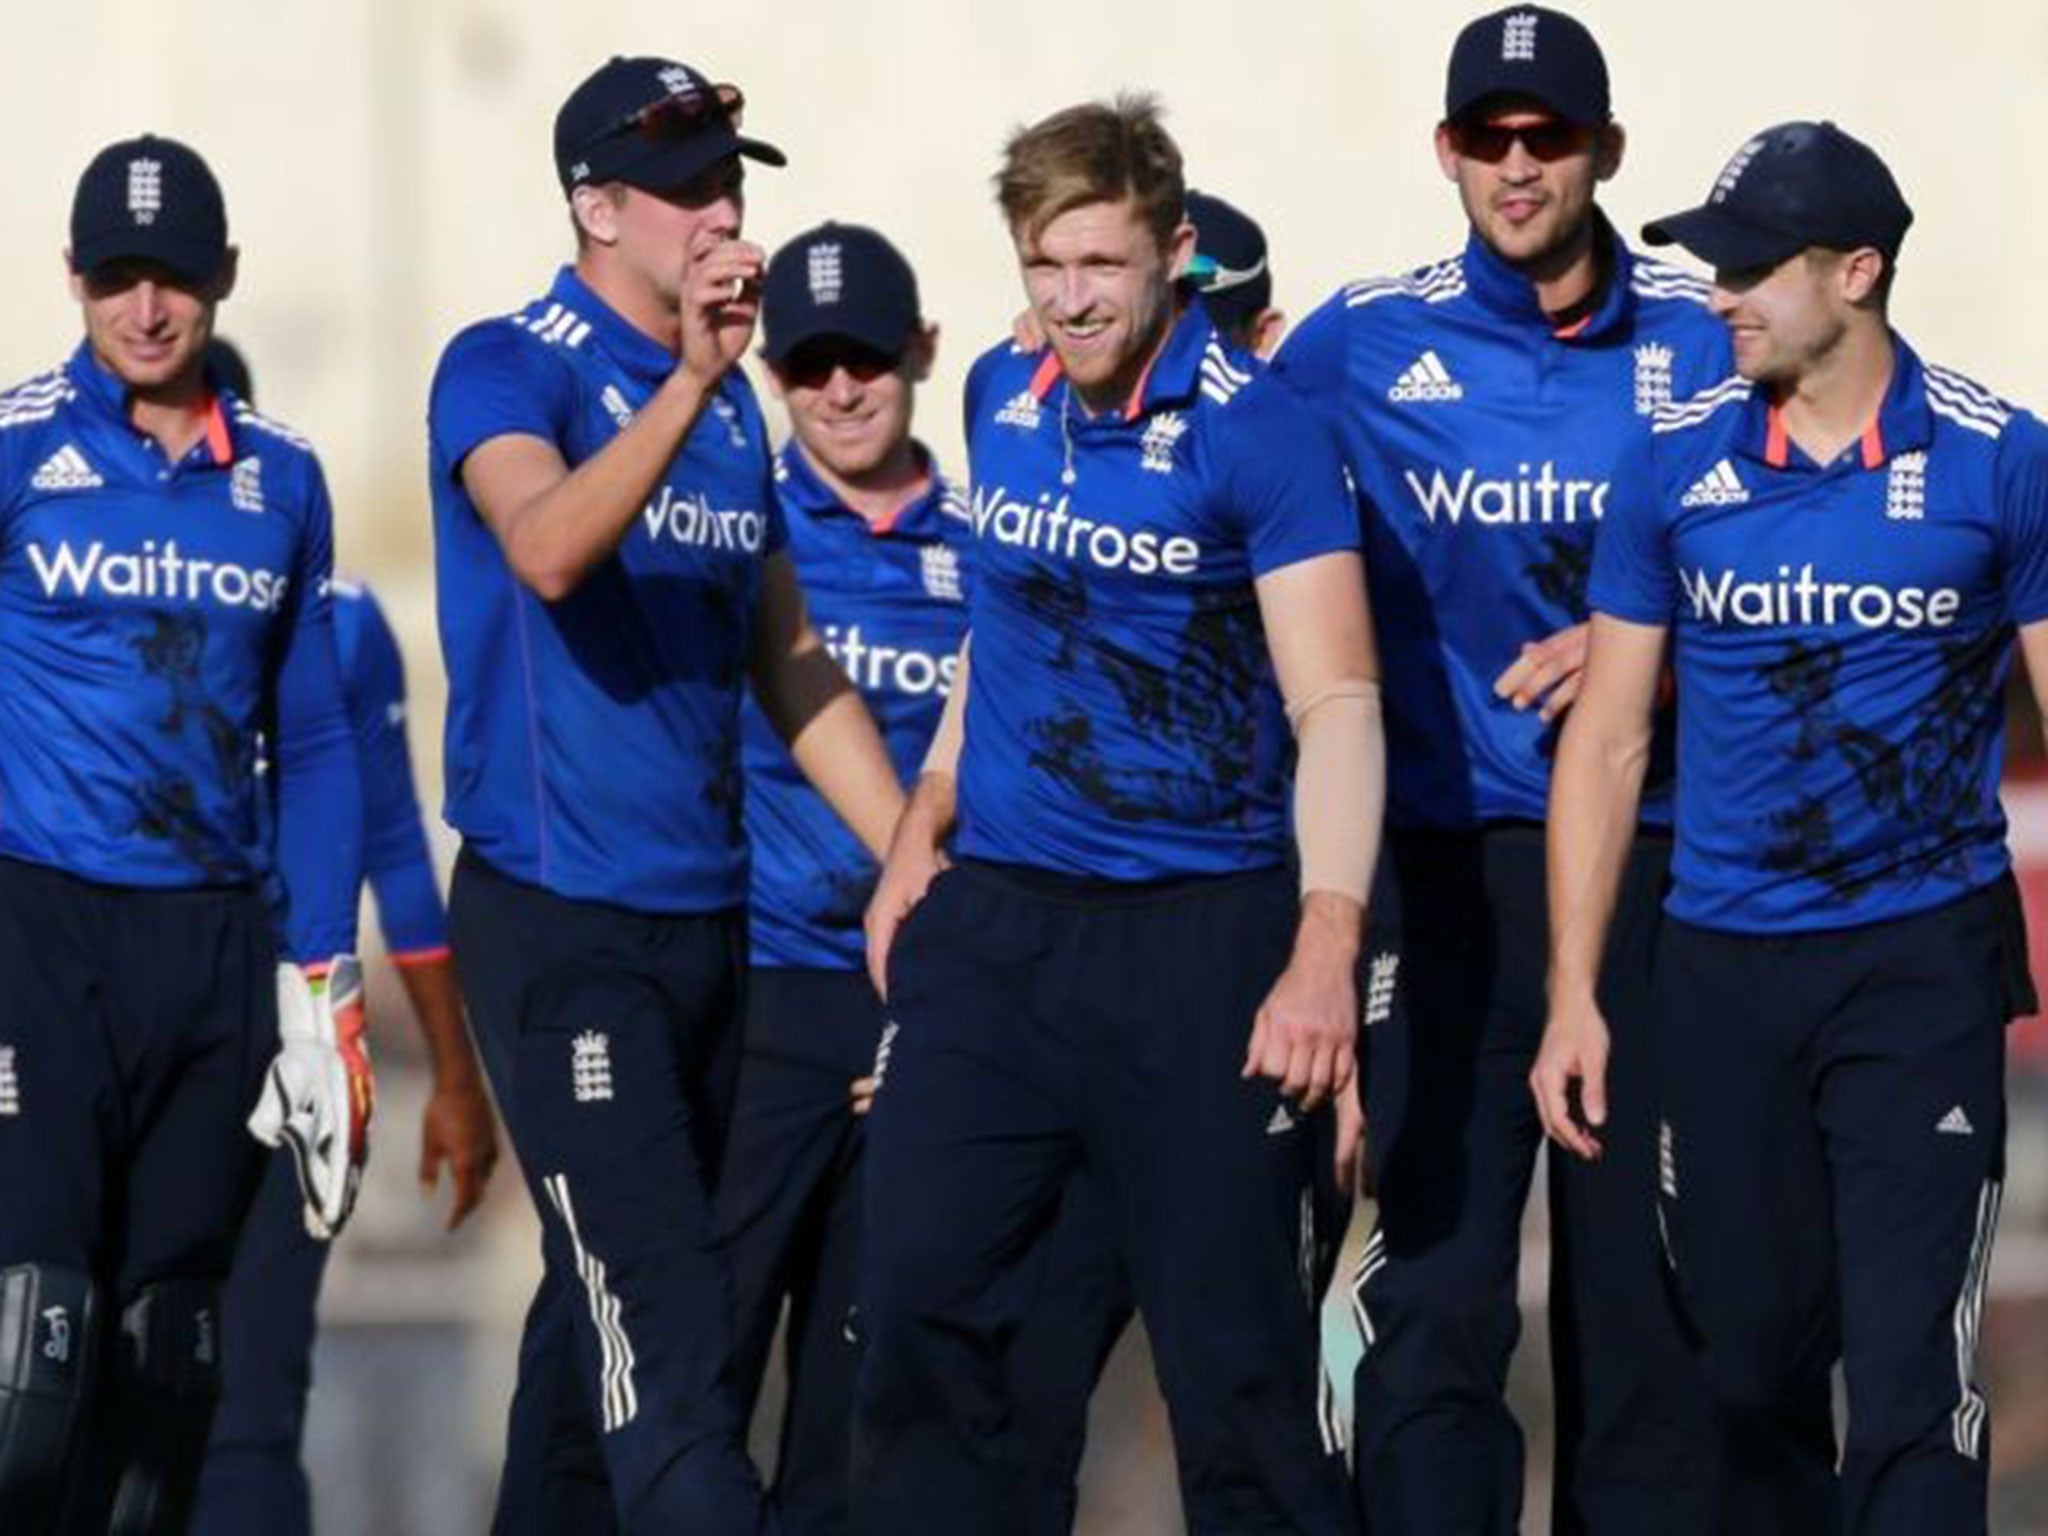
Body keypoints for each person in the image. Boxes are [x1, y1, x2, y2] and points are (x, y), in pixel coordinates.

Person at [856, 94, 1382, 1535]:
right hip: (1005, 930)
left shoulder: (1258, 436)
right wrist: (927, 816)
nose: (1072, 299)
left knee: (1237, 1378)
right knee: (913, 1310)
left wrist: (1324, 948)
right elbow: (1003, 641)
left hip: (1200, 942)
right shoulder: (998, 400)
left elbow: (1336, 703)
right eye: (1044, 265)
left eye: (1102, 264)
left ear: (1174, 252)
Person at [1269, 8, 1744, 1531]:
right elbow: (1223, 470)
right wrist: (1087, 346)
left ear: (1607, 151)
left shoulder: (1697, 334)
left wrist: (1646, 662)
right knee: (1440, 1295)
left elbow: (1812, 533)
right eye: (1491, 136)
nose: (1520, 164)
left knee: (1649, 1308)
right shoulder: (1364, 335)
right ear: (1448, 153)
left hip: (1653, 860)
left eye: (1549, 137)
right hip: (1445, 871)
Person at [1540, 120, 2042, 1536]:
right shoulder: (1674, 468)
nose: (1724, 295)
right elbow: (1613, 734)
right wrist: (1575, 995)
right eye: (1716, 268)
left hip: (1920, 966)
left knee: (1908, 1379)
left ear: (1860, 272)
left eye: (1755, 267)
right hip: (1719, 970)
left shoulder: (2001, 460)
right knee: (1748, 1368)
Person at [427, 55, 904, 1535]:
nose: (722, 211)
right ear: (597, 206)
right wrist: (693, 373)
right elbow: (549, 546)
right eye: (686, 186)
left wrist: (912, 863)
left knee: (595, 1351)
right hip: (566, 927)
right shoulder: (513, 362)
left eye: (730, 179)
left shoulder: (731, 419)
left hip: (713, 936)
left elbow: (792, 661)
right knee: (679, 1345)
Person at [0, 136, 364, 1534]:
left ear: (224, 278)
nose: (145, 310)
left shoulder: (285, 480)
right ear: (74, 280)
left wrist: (323, 982)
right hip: (43, 929)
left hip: (214, 948)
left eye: (173, 278)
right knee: (33, 1350)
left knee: (168, 1367)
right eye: (116, 278)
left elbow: (318, 736)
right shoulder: (23, 444)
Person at [188, 343, 500, 1536]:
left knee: (247, 1390)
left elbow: (397, 863)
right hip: (137, 1020)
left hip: (282, 1038)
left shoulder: (343, 623)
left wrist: (456, 1082)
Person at [713, 220, 975, 1533]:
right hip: (760, 1002)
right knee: (696, 1377)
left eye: (864, 356)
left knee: (863, 1410)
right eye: (807, 366)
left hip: (913, 1009)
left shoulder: (994, 549)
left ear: (921, 350)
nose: (840, 390)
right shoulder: (740, 534)